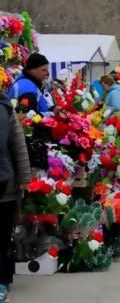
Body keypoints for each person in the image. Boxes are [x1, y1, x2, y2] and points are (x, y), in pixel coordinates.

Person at [0, 92, 31, 302]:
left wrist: (24, 178)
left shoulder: (5, 107)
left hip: (5, 184)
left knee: (2, 236)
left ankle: (1, 281)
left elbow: (18, 144)